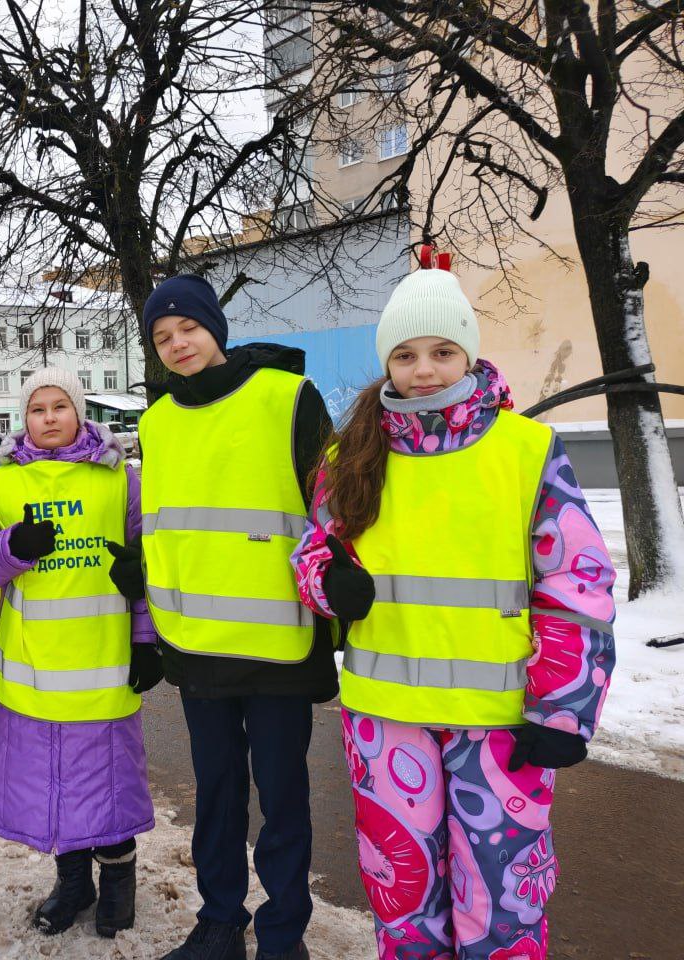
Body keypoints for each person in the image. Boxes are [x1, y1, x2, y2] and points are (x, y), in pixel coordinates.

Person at [290, 253, 616, 960]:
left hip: (498, 724)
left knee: (500, 900)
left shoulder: (526, 450)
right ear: (387, 362)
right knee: (404, 901)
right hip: (385, 718)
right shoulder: (350, 457)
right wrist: (328, 582)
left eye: (442, 351)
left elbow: (576, 586)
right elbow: (313, 553)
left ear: (469, 352)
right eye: (405, 355)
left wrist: (562, 711)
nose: (425, 371)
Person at [107, 275, 337, 960]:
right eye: (162, 337)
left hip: (277, 641)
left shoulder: (287, 396)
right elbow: (166, 519)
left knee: (282, 797)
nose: (178, 344)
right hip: (196, 640)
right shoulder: (156, 421)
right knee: (216, 794)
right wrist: (144, 574)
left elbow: (332, 508)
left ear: (216, 327)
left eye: (189, 328)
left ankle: (283, 936)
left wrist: (341, 589)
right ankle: (219, 924)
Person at [0, 368, 160, 939]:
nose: (49, 418)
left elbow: (143, 566)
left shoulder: (120, 480)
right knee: (50, 783)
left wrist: (146, 641)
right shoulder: (0, 485)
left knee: (108, 782)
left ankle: (118, 880)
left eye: (60, 406)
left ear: (79, 412)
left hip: (103, 665)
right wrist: (12, 548)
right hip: (32, 668)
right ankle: (73, 882)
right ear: (22, 419)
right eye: (37, 409)